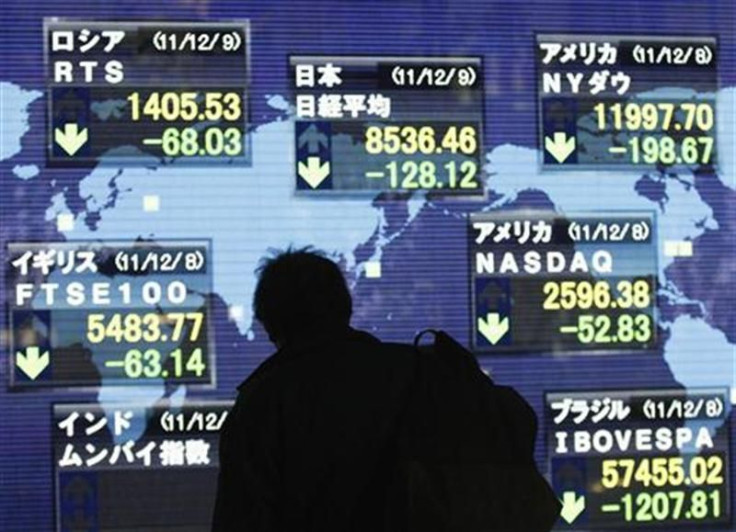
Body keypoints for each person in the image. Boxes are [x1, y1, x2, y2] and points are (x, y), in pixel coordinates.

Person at [211, 247, 416, 531]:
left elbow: (242, 518)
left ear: (269, 324)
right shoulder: (417, 375)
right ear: (344, 307)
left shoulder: (262, 405)